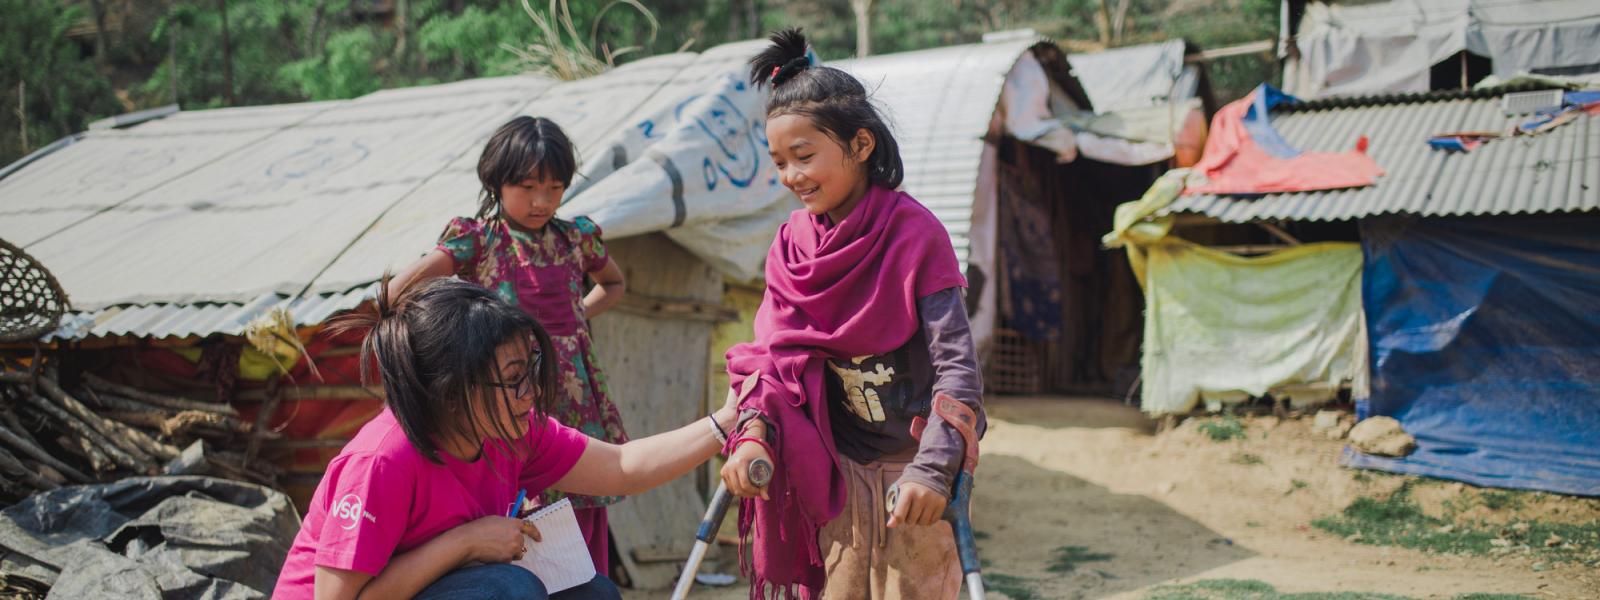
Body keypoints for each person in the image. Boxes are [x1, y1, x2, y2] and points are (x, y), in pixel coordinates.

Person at [718, 28, 987, 600]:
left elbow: (958, 371)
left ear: (861, 145)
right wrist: (754, 434)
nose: (792, 176)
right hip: (832, 471)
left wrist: (935, 469)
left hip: (910, 470)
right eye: (780, 162)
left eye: (805, 156)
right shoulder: (789, 245)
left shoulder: (915, 235)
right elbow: (771, 361)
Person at [272, 277, 744, 599]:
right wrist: (464, 543)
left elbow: (621, 467)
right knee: (508, 589)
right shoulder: (383, 460)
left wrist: (726, 421)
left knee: (593, 591)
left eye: (531, 371)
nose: (532, 393)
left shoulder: (512, 430)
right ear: (451, 390)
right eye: (514, 378)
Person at [387, 116, 627, 573]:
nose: (541, 201)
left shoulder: (576, 237)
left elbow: (613, 283)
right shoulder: (479, 241)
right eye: (527, 186)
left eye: (554, 188)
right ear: (496, 181)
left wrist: (574, 322)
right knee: (521, 513)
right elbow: (398, 291)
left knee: (583, 506)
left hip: (574, 397)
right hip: (506, 401)